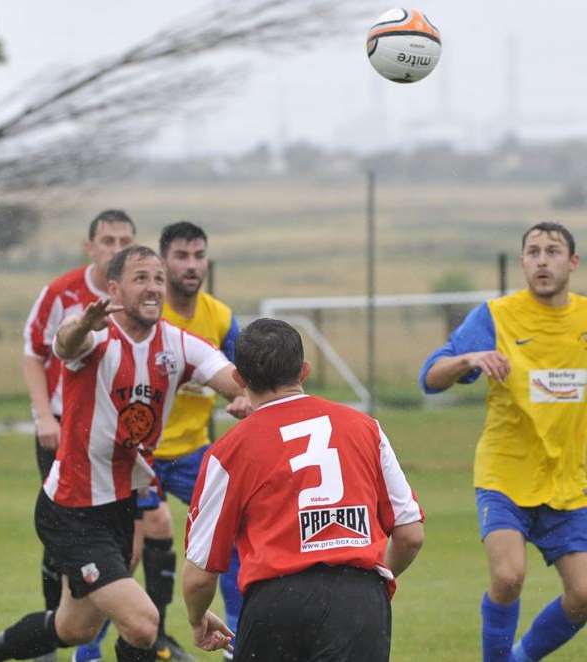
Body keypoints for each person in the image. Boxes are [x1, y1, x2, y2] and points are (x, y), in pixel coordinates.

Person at [0, 245, 251, 662]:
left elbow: (228, 377)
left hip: (119, 509)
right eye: (141, 278)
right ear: (114, 288)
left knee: (73, 627)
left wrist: (249, 396)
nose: (154, 287)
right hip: (71, 508)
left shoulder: (176, 343)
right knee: (142, 624)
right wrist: (84, 323)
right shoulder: (95, 333)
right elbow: (67, 344)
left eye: (158, 279)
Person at [183, 318, 424, 661]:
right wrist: (368, 587)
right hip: (360, 600)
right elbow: (410, 534)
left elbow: (199, 575)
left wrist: (197, 619)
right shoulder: (365, 428)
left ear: (238, 379)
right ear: (305, 370)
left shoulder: (228, 451)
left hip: (276, 603)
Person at [419, 221, 587, 662]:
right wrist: (469, 359)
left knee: (584, 594)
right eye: (533, 252)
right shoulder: (496, 317)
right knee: (509, 577)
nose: (542, 260)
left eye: (553, 251)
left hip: (569, 483)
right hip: (506, 475)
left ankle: (520, 657)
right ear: (522, 263)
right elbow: (430, 379)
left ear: (572, 262)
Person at [22, 210, 136, 661]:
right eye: (108, 240)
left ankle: (127, 636)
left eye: (125, 240)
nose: (116, 248)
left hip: (116, 442)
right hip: (63, 433)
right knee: (62, 540)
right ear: (90, 247)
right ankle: (57, 631)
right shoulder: (61, 293)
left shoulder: (137, 299)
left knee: (129, 540)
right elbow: (32, 353)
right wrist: (43, 418)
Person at [136, 221, 240, 661]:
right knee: (125, 555)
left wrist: (246, 398)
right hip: (139, 457)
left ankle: (239, 642)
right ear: (163, 262)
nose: (192, 265)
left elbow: (247, 380)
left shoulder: (218, 316)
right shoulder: (146, 315)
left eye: (199, 255)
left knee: (238, 537)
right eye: (181, 256)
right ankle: (92, 654)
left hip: (192, 454)